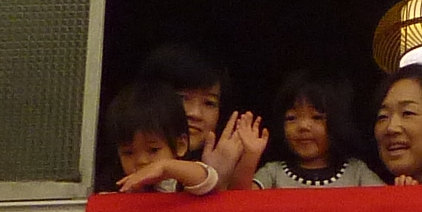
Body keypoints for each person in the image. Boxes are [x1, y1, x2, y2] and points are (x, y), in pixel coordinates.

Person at [136, 43, 261, 189]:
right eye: (182, 98)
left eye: (209, 103)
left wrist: (220, 176)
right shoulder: (129, 163)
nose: (195, 113)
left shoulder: (227, 168)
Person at [250, 71, 384, 189]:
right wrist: (250, 156)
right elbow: (245, 198)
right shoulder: (273, 172)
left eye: (316, 117)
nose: (303, 126)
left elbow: (385, 200)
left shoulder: (356, 172)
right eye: (291, 118)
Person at [105, 81, 219, 195]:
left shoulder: (180, 183)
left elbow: (208, 179)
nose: (141, 161)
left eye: (153, 150)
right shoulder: (118, 190)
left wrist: (165, 168)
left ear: (180, 145)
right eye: (128, 153)